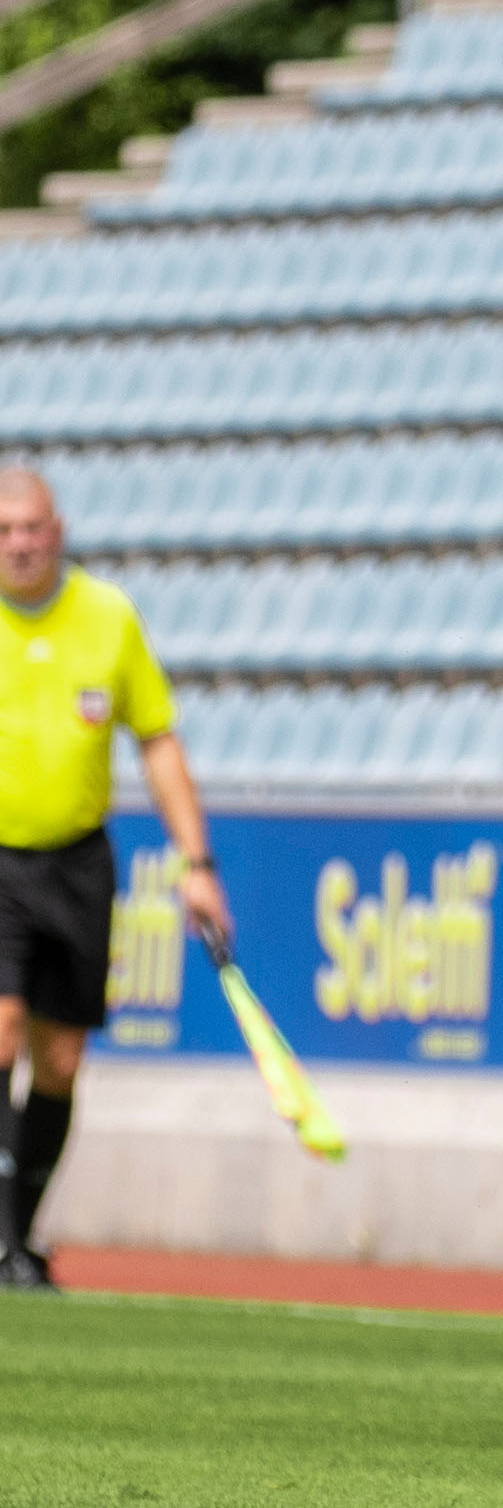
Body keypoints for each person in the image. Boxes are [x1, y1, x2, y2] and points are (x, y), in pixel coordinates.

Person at [0, 468, 230, 1292]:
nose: (19, 543)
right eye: (3, 530)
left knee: (59, 1057)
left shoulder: (107, 617)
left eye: (31, 527)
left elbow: (157, 739)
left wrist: (196, 864)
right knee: (0, 1028)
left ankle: (16, 1239)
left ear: (57, 530)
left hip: (77, 861)